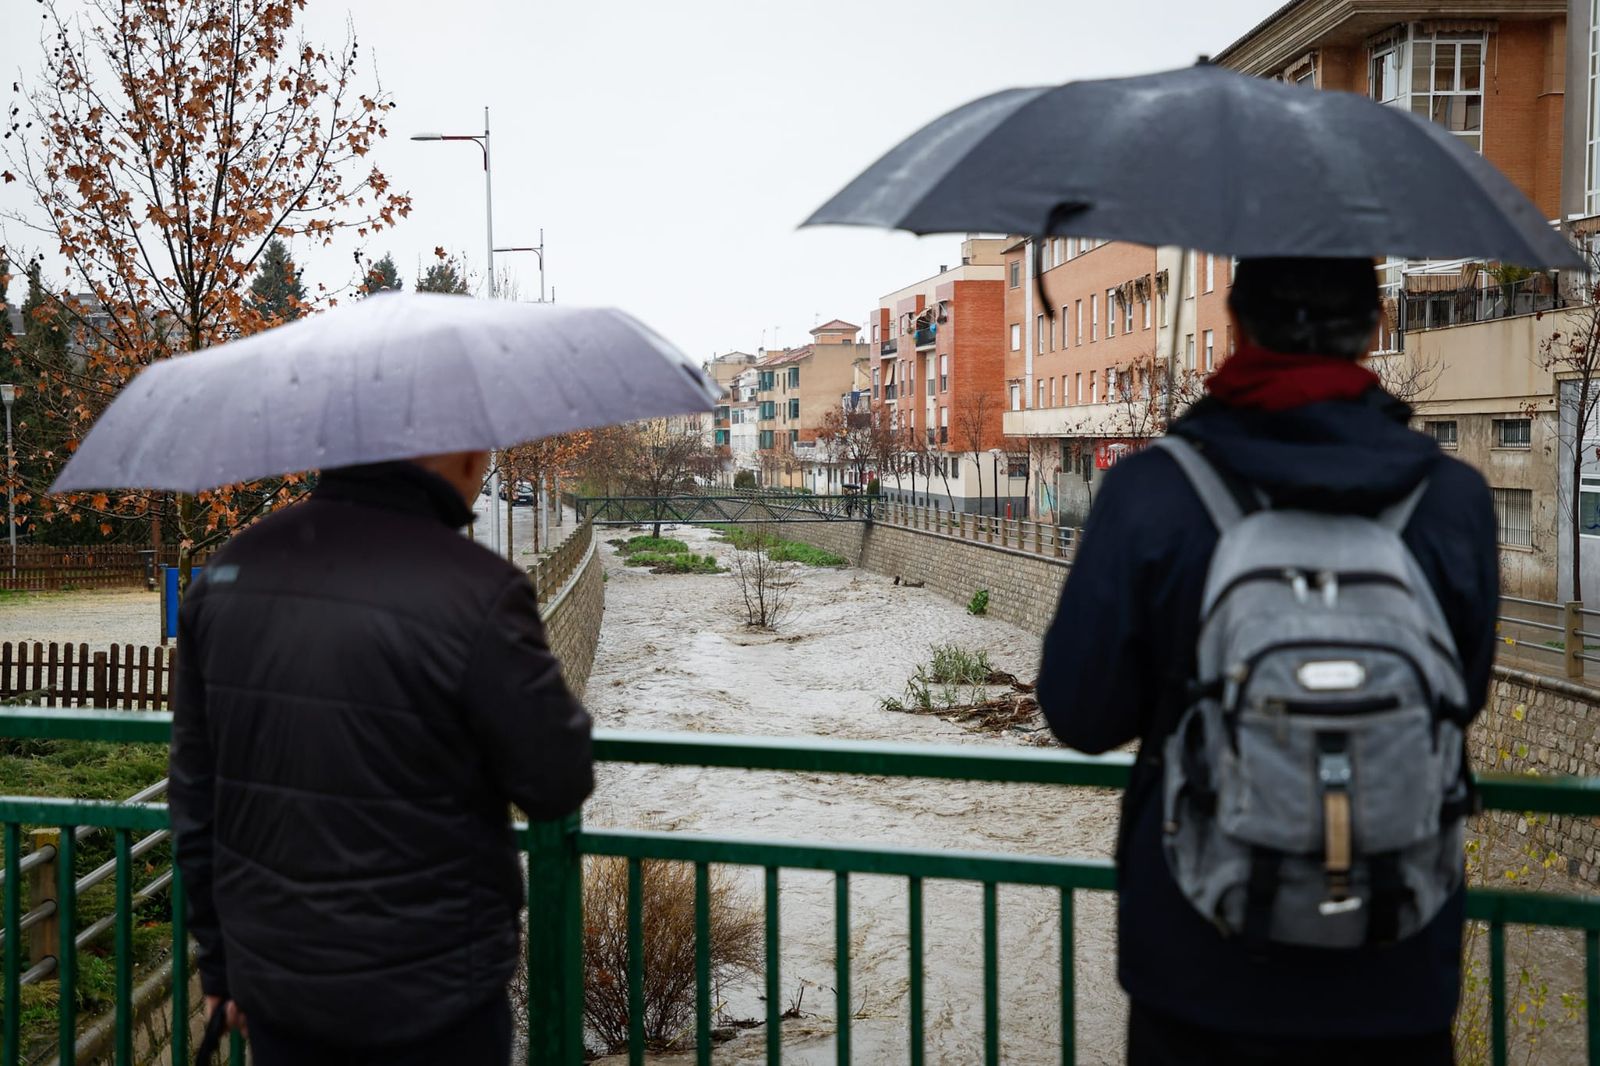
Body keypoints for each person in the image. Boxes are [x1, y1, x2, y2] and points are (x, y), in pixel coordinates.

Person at [1037, 258, 1497, 1065]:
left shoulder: (1153, 491)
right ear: (1376, 329)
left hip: (1199, 963)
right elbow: (1461, 694)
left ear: (1236, 325)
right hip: (1396, 961)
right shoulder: (1452, 499)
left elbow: (1081, 714)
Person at [169, 452, 594, 1065]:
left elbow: (194, 794)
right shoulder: (476, 587)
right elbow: (555, 779)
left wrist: (218, 965)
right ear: (444, 450)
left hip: (281, 985)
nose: (486, 460)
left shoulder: (228, 571)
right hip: (434, 993)